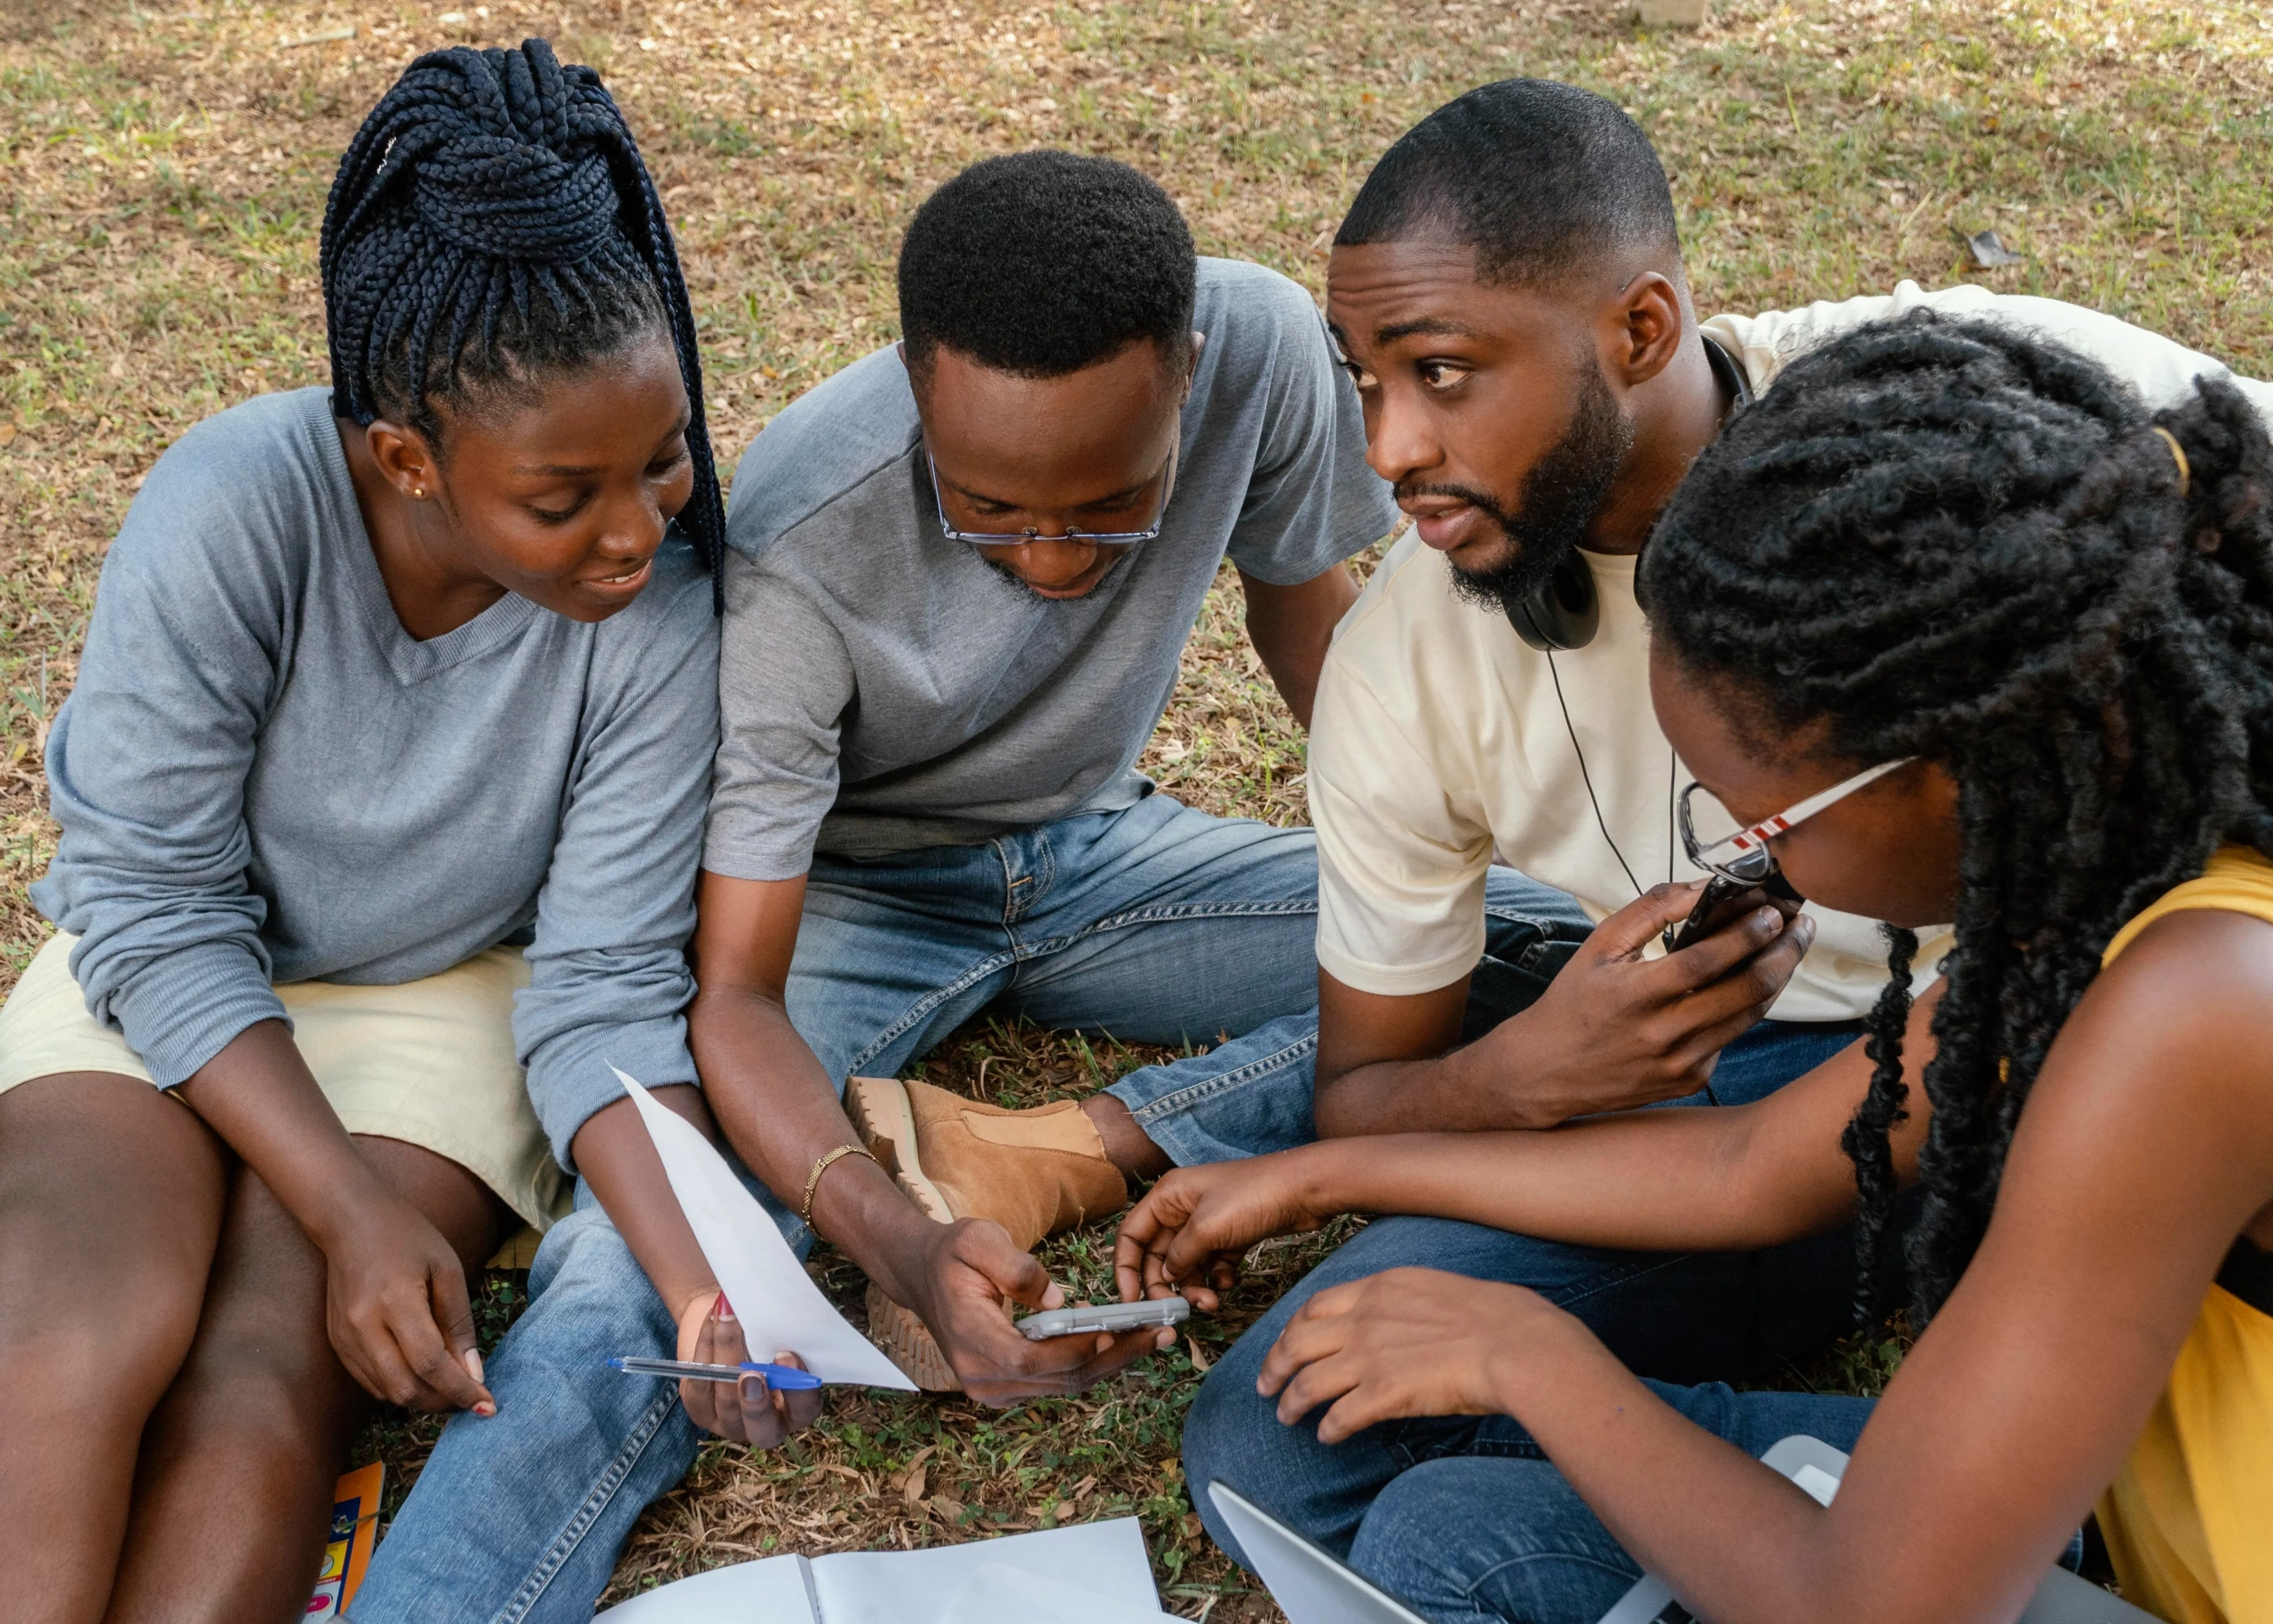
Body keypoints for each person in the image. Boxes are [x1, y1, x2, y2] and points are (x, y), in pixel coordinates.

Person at [1115, 79, 2273, 1533]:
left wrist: (1529, 1358)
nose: (1389, 449)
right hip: (1838, 1096)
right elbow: (1744, 1167)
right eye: (1364, 382)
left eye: (1444, 372)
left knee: (1478, 1535)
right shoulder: (2042, 969)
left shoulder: (1990, 423)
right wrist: (1445, 1116)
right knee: (1307, 1457)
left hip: (2063, 1146)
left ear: (1642, 328)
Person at [354, 149, 1396, 1618]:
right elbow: (735, 993)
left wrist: (1418, 876)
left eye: (1108, 509)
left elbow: (1313, 636)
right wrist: (894, 1242)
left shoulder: (1270, 351)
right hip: (854, 891)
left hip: (1104, 852)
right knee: (651, 1264)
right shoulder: (794, 543)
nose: (1046, 562)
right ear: (916, 389)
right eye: (990, 511)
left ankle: (1064, 1143)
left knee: (1553, 956)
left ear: (1190, 374)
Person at [0, 39, 740, 1623]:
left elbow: (604, 983)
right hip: (163, 965)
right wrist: (344, 1202)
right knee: (60, 1340)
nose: (636, 531)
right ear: (406, 457)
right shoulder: (236, 506)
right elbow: (147, 894)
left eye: (662, 457)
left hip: (446, 993)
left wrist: (700, 1280)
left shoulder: (659, 609)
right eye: (566, 498)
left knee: (263, 1377)